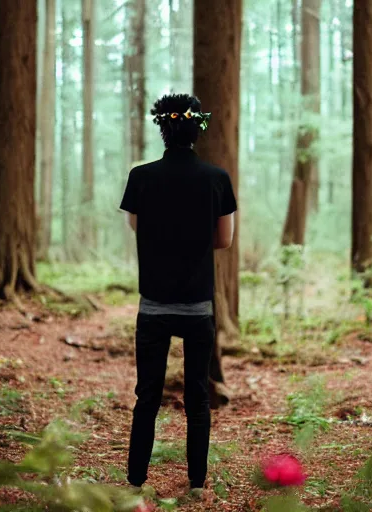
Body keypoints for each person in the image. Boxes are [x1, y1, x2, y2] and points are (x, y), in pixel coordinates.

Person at [119, 93, 237, 499]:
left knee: (146, 396)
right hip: (198, 304)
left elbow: (138, 227)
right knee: (198, 396)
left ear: (162, 128)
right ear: (196, 128)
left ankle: (135, 483)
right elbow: (224, 240)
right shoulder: (217, 178)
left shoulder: (141, 177)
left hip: (152, 305)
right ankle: (197, 485)